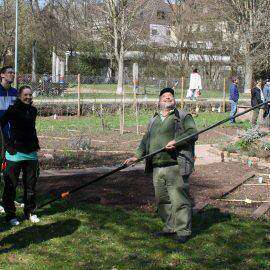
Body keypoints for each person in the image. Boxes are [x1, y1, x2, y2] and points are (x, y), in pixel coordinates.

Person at [124, 87, 198, 243]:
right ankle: (170, 227)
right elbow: (146, 140)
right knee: (162, 200)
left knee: (179, 199)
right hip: (157, 166)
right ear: (159, 101)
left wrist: (177, 142)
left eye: (170, 96)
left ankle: (183, 231)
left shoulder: (183, 116)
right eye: (164, 96)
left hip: (175, 165)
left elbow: (193, 133)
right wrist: (136, 156)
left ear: (174, 100)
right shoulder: (154, 119)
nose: (167, 98)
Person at [0, 85, 40, 226]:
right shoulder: (13, 110)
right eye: (25, 95)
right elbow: (2, 124)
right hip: (15, 153)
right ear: (19, 96)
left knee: (30, 186)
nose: (28, 97)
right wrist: (8, 145)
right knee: (11, 187)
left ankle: (30, 212)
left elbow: (31, 129)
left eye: (30, 95)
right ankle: (10, 215)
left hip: (31, 153)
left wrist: (35, 144)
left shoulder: (33, 110)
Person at [0, 66, 18, 213]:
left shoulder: (14, 92)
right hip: (0, 136)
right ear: (2, 75)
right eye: (9, 72)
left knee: (10, 169)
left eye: (13, 73)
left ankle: (7, 199)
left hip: (12, 137)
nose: (12, 74)